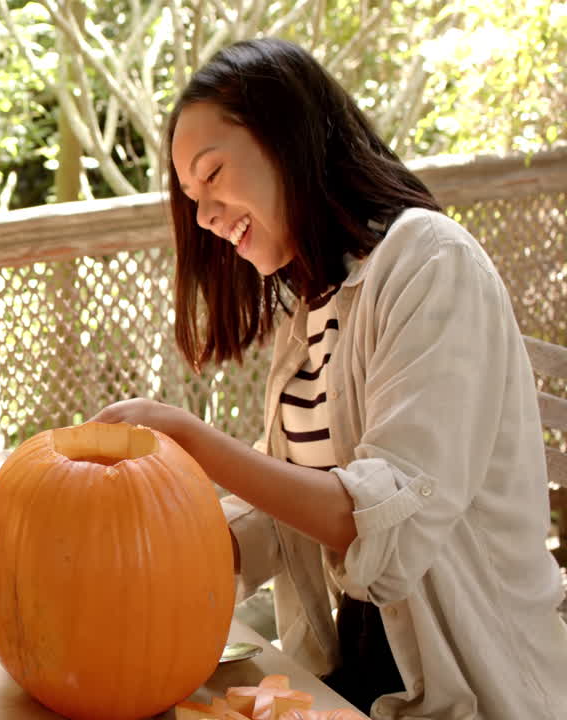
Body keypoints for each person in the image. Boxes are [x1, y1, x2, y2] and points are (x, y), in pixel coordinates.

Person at [91, 38, 567, 719]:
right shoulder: (318, 306)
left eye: (214, 173)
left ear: (290, 141)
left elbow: (384, 522)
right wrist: (155, 554)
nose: (202, 215)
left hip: (474, 692)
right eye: (191, 195)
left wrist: (189, 438)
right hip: (358, 681)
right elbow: (291, 508)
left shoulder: (431, 264)